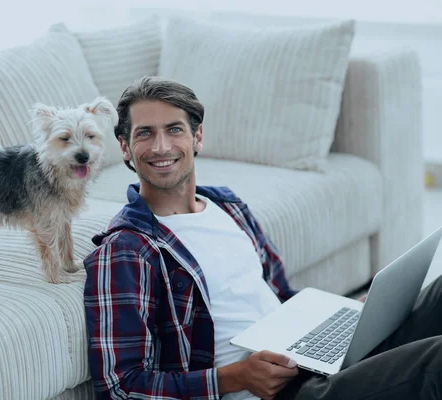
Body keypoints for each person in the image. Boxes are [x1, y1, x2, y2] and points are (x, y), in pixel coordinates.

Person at [82, 76, 442, 400]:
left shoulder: (228, 207)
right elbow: (120, 387)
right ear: (125, 148)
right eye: (145, 133)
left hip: (306, 363)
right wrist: (232, 378)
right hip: (282, 394)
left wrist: (347, 315)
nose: (161, 147)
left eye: (174, 129)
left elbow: (281, 297)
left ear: (197, 137)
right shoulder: (126, 250)